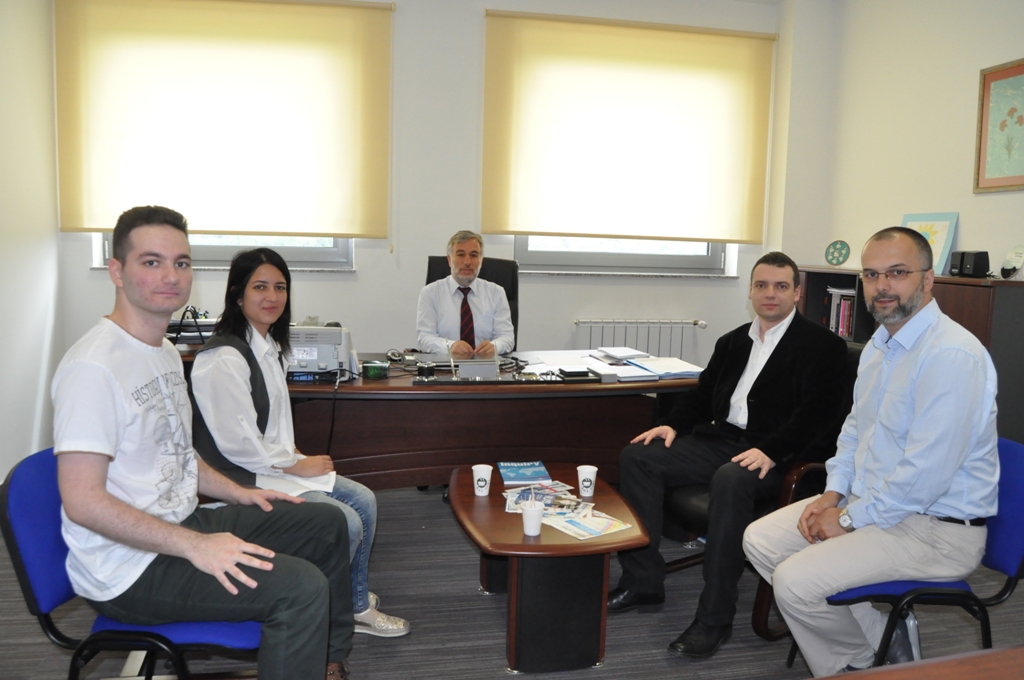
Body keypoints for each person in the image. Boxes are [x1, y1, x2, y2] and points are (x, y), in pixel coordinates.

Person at [52, 206, 355, 680]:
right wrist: (196, 545)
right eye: (151, 262)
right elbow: (82, 502)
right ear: (117, 270)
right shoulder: (93, 367)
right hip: (128, 569)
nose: (170, 276)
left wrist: (239, 493)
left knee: (326, 523)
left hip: (179, 523)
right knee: (301, 589)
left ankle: (323, 661)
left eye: (181, 262)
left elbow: (178, 451)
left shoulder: (164, 351)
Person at [743, 227, 998, 677]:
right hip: (878, 505)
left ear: (928, 279)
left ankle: (859, 664)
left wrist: (845, 520)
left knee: (795, 582)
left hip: (935, 531)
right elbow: (854, 432)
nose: (882, 286)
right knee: (760, 541)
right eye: (872, 274)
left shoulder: (952, 357)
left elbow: (924, 477)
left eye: (897, 273)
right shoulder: (880, 347)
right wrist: (833, 494)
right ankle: (878, 648)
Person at [607, 252, 849, 660]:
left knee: (731, 478)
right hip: (724, 440)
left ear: (797, 293)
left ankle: (714, 618)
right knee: (638, 456)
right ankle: (643, 582)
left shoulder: (823, 346)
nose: (770, 294)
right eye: (762, 285)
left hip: (781, 455)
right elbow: (703, 395)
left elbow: (818, 415)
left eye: (781, 286)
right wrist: (673, 424)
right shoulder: (733, 341)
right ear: (750, 291)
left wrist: (772, 449)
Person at [190, 247, 409, 638]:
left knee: (364, 500)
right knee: (344, 521)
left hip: (270, 467)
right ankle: (328, 611)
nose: (272, 296)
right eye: (260, 287)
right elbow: (238, 444)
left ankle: (353, 603)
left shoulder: (269, 346)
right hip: (240, 479)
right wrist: (296, 464)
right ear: (238, 294)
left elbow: (271, 428)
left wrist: (293, 457)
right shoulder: (224, 358)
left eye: (280, 287)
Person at [416, 230, 514, 357]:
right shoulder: (430, 293)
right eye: (461, 255)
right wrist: (450, 346)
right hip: (445, 365)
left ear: (481, 260)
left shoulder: (496, 293)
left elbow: (507, 337)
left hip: (486, 365)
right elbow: (424, 338)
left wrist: (495, 346)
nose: (467, 262)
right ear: (449, 259)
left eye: (473, 255)